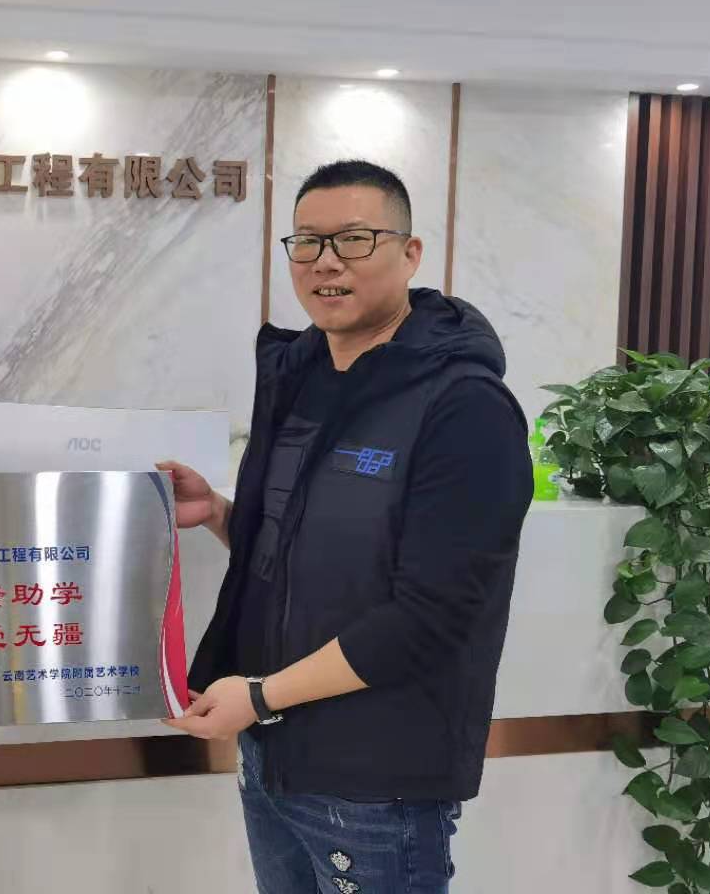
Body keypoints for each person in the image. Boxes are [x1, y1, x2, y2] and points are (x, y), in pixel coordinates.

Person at [159, 160, 531, 893]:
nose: (326, 262)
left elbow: (431, 615)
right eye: (307, 241)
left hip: (376, 780)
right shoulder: (301, 380)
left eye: (355, 240)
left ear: (410, 253)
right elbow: (310, 554)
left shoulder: (465, 407)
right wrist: (222, 516)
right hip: (274, 758)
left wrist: (259, 696)